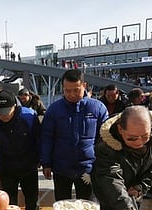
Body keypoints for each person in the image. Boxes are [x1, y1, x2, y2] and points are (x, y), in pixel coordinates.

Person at [92, 106, 152, 210]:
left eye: (145, 136)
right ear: (120, 129)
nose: (139, 143)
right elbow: (111, 177)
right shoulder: (106, 145)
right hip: (109, 191)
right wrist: (127, 209)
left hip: (136, 190)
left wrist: (141, 187)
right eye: (132, 138)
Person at [40, 69, 108, 201]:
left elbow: (105, 139)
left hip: (88, 168)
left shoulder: (97, 108)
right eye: (67, 90)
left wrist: (102, 164)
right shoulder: (54, 110)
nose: (71, 94)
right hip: (61, 168)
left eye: (76, 90)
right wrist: (46, 163)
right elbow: (47, 137)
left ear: (84, 86)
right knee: (62, 207)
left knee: (87, 207)